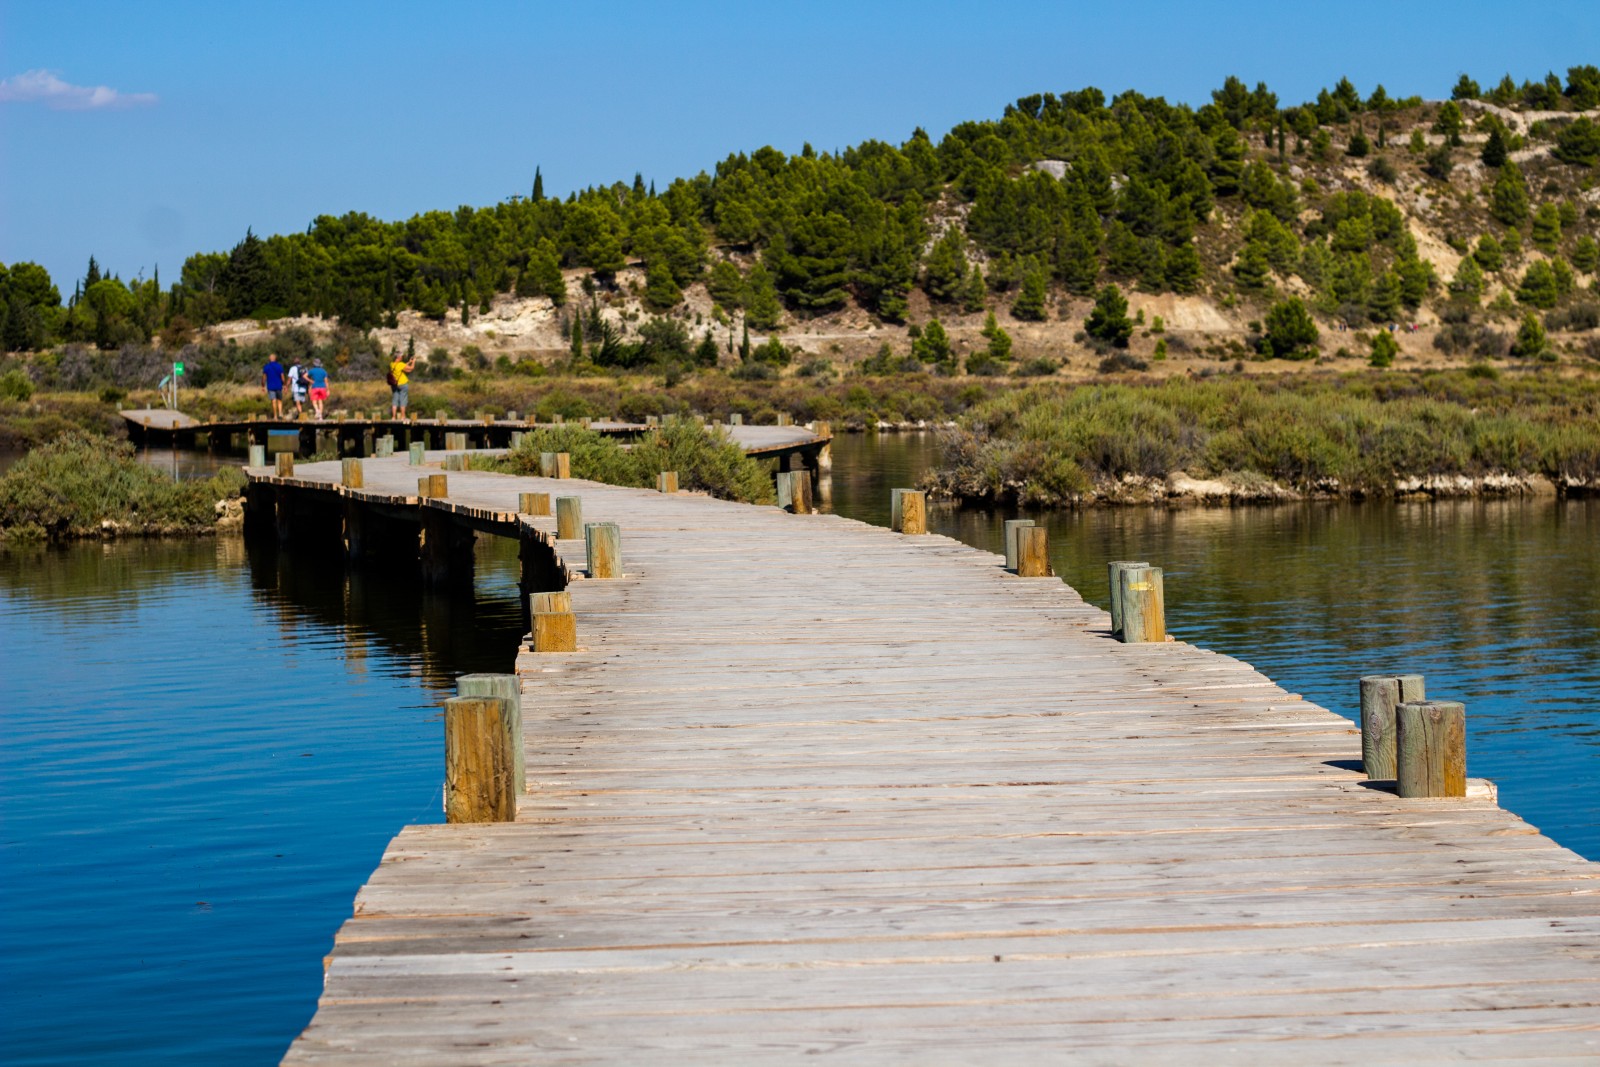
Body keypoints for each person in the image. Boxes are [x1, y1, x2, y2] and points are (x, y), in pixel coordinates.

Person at [388, 348, 418, 418]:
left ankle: (393, 417)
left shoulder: (392, 364)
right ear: (399, 357)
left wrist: (409, 362)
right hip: (403, 384)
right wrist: (413, 362)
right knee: (403, 400)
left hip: (394, 385)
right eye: (401, 356)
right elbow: (410, 369)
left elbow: (402, 367)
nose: (402, 357)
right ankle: (403, 416)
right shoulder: (400, 364)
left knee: (395, 400)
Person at [262, 352, 286, 418]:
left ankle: (275, 415)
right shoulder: (279, 366)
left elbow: (264, 377)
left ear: (269, 359)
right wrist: (284, 385)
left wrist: (263, 386)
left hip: (270, 386)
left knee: (273, 401)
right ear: (275, 359)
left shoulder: (266, 367)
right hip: (279, 385)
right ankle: (280, 413)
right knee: (279, 400)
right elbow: (282, 377)